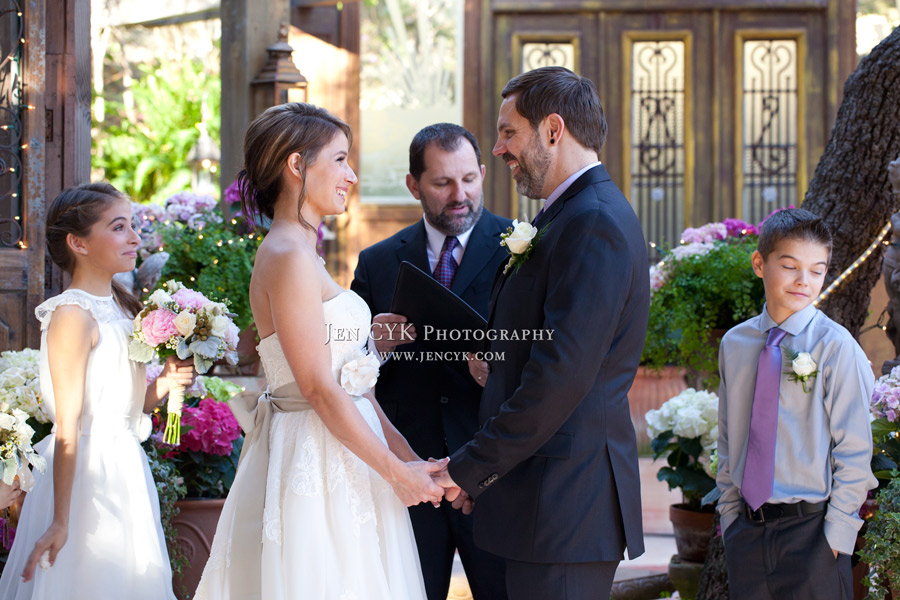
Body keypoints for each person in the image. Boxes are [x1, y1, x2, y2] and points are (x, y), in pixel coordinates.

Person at [195, 103, 443, 600]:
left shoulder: (303, 251)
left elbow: (352, 382)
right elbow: (314, 385)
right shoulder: (286, 255)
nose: (351, 174)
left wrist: (414, 462)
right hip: (317, 459)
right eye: (340, 159)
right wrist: (396, 473)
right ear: (296, 166)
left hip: (351, 456)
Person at [434, 66, 649, 598]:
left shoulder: (593, 220)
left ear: (553, 130)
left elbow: (562, 375)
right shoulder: (567, 216)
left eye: (509, 132)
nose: (499, 148)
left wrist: (470, 468)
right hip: (540, 502)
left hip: (566, 507)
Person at [0, 182, 194, 599]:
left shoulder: (126, 309)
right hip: (85, 475)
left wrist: (165, 382)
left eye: (133, 226)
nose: (135, 237)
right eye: (119, 227)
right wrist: (60, 519)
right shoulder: (72, 314)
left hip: (125, 467)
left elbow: (130, 405)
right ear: (78, 243)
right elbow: (69, 427)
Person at [351, 123, 510, 600]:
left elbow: (547, 358)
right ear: (413, 184)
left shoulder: (520, 250)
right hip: (407, 477)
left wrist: (498, 366)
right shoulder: (377, 262)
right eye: (442, 183)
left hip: (493, 477)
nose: (459, 194)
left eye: (468, 179)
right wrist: (374, 346)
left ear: (483, 173)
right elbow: (346, 370)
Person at [716, 208, 877, 599]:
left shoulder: (836, 348)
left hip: (813, 536)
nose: (804, 281)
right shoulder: (735, 345)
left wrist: (834, 538)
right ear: (760, 263)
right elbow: (727, 436)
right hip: (747, 535)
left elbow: (855, 451)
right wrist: (730, 516)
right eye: (790, 267)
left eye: (817, 270)